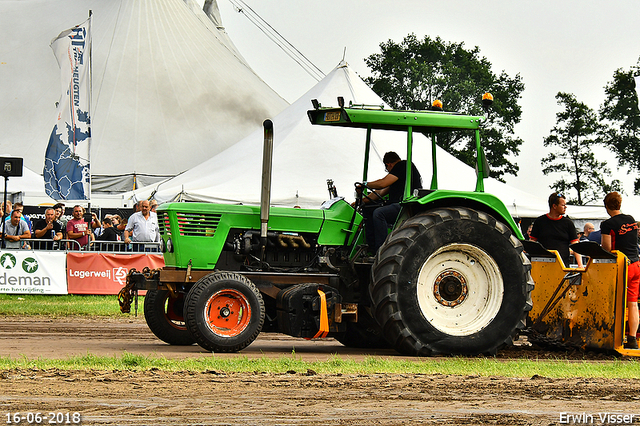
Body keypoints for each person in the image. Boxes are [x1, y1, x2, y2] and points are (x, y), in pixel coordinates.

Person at [357, 151, 422, 253]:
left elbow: (382, 183)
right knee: (368, 208)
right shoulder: (399, 175)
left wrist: (365, 184)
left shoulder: (403, 165)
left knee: (379, 213)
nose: (388, 172)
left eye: (387, 169)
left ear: (389, 164)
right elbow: (381, 191)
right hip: (396, 204)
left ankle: (381, 250)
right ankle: (371, 247)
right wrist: (362, 201)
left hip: (405, 205)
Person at [600, 192, 639, 349]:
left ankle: (614, 337)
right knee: (633, 303)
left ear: (607, 206)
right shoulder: (631, 219)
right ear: (620, 204)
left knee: (616, 302)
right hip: (636, 263)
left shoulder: (607, 224)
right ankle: (632, 339)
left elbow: (607, 248)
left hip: (623, 265)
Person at [530, 192, 584, 268]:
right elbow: (532, 241)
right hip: (542, 264)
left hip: (563, 265)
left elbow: (575, 244)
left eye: (565, 205)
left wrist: (580, 264)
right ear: (554, 206)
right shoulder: (540, 221)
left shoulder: (568, 223)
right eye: (563, 205)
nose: (565, 207)